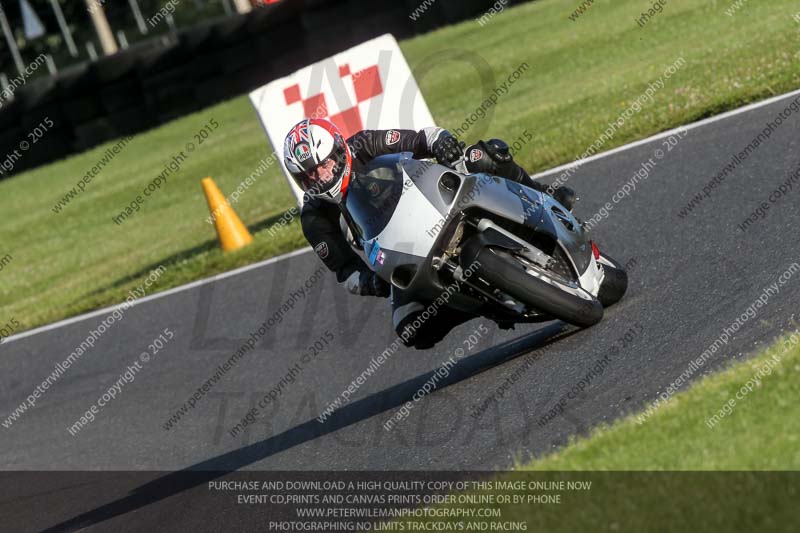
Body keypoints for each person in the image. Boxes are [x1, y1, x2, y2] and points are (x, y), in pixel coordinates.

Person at [283, 118, 575, 349]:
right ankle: (486, 304)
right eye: (308, 175)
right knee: (409, 327)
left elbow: (423, 138)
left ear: (338, 151)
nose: (319, 177)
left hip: (436, 200)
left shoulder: (364, 144)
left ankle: (544, 197)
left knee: (482, 155)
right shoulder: (314, 218)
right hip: (403, 250)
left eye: (323, 165)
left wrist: (443, 143)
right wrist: (373, 282)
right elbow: (346, 272)